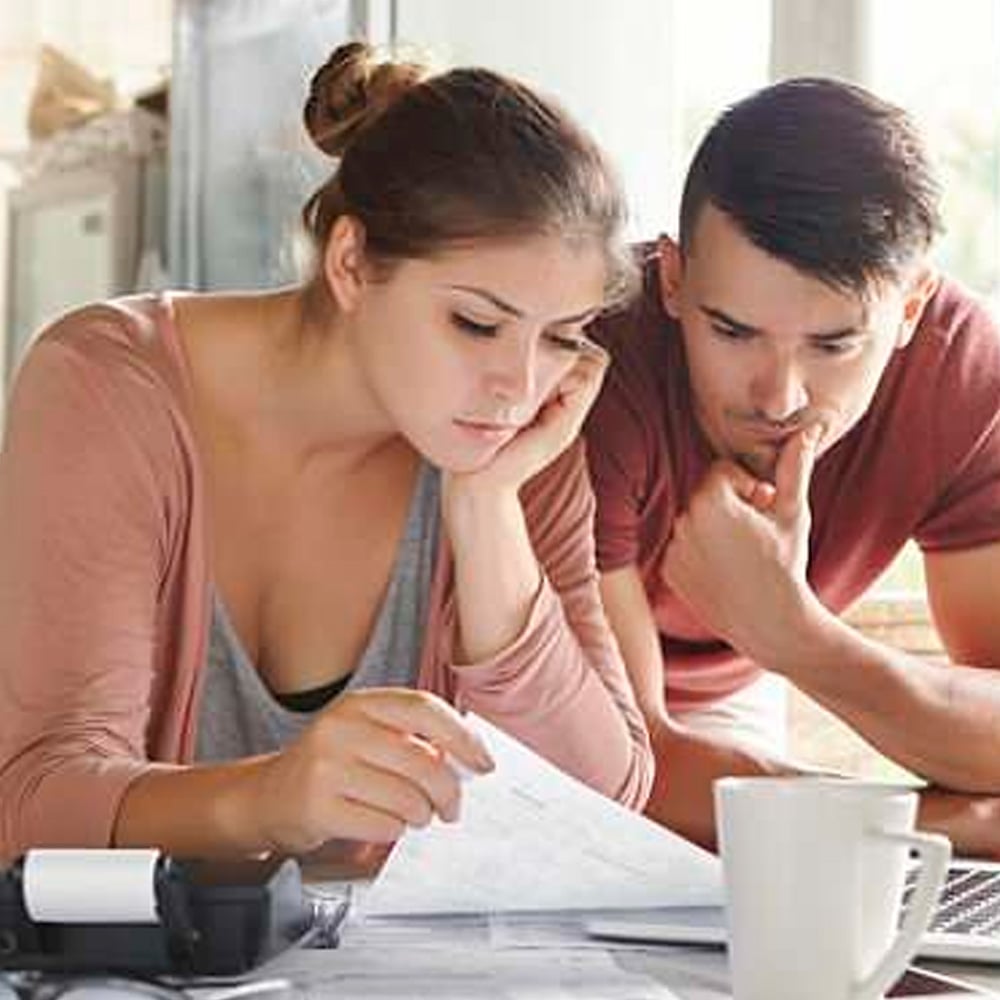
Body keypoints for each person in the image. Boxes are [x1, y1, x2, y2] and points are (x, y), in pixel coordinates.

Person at [0, 42, 653, 863]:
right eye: (477, 325)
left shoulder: (520, 449)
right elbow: (32, 804)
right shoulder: (110, 384)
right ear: (350, 264)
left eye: (562, 338)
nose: (516, 386)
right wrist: (271, 799)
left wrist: (486, 513)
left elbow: (607, 806)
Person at [584, 77, 1000, 855]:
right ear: (672, 279)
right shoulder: (593, 361)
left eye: (834, 344)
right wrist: (934, 829)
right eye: (732, 331)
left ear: (911, 308)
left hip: (736, 703)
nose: (780, 397)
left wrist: (794, 636)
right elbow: (620, 768)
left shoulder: (962, 373)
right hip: (556, 719)